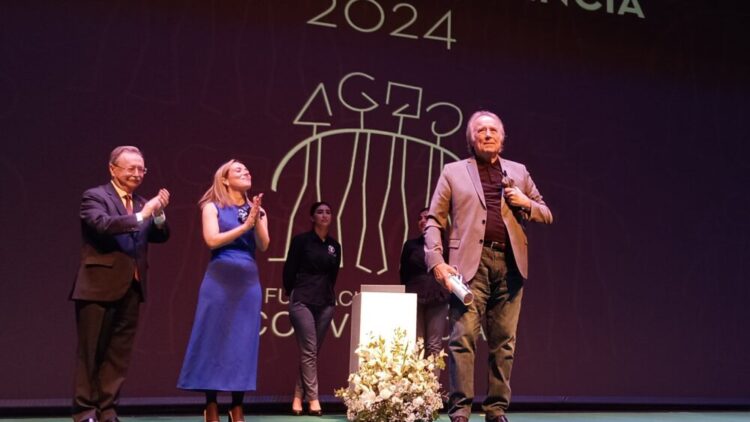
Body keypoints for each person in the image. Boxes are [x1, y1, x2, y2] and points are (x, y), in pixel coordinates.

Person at [424, 111, 553, 422]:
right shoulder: (454, 171)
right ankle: (460, 410)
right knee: (463, 338)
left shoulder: (518, 172)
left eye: (493, 130)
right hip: (469, 268)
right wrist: (437, 261)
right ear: (471, 139)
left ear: (502, 138)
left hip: (510, 266)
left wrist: (525, 202)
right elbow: (434, 221)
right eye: (480, 130)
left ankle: (496, 409)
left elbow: (546, 213)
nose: (487, 134)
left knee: (504, 342)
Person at [70, 145, 170, 422]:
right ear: (113, 169)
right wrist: (144, 214)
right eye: (131, 168)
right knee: (91, 352)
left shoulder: (141, 202)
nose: (137, 174)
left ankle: (108, 410)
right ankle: (85, 411)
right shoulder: (95, 196)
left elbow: (160, 236)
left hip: (132, 287)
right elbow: (102, 225)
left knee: (118, 354)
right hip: (97, 286)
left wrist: (158, 214)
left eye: (141, 169)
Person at [177, 159, 270, 422]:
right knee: (213, 339)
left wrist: (256, 218)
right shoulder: (211, 206)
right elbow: (212, 240)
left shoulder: (258, 210)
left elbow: (263, 245)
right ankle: (211, 404)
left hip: (247, 281)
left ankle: (237, 406)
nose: (246, 172)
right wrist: (244, 226)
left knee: (243, 341)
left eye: (247, 169)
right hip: (219, 279)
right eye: (238, 170)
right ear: (225, 180)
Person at [283, 201, 341, 417]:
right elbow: (289, 269)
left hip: (325, 301)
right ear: (312, 217)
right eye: (320, 212)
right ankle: (314, 399)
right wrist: (292, 291)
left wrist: (328, 295)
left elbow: (333, 275)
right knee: (309, 351)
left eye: (328, 212)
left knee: (312, 352)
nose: (324, 215)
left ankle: (297, 397)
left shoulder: (335, 246)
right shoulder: (301, 241)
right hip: (302, 299)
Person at [399, 207, 450, 361]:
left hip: (438, 297)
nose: (422, 221)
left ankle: (432, 378)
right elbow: (403, 273)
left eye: (427, 217)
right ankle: (416, 378)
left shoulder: (446, 245)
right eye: (420, 218)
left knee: (434, 345)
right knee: (417, 344)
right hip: (414, 298)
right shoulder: (410, 245)